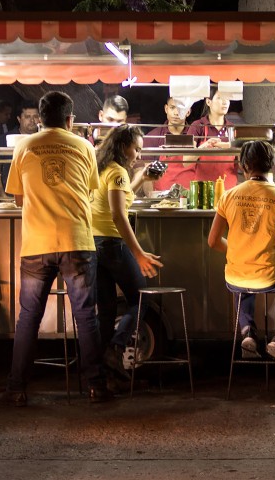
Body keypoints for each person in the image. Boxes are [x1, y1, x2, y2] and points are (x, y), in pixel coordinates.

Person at [0, 91, 110, 406]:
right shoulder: (84, 146)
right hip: (77, 241)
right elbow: (88, 190)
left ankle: (16, 389)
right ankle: (96, 386)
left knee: (29, 317)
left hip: (37, 244)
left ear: (40, 119)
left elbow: (17, 197)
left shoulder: (24, 146)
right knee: (86, 316)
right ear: (70, 120)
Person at [207, 141, 275, 360]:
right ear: (272, 164)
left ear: (243, 165)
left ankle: (248, 333)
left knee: (242, 282)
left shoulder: (228, 196)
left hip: (236, 276)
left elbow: (213, 241)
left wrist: (239, 252)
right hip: (270, 278)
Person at [91, 124, 163, 383]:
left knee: (107, 311)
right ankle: (117, 346)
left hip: (93, 244)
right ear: (123, 147)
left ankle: (101, 372)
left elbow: (118, 200)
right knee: (141, 299)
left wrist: (141, 178)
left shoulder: (101, 169)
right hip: (112, 243)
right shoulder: (118, 172)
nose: (138, 155)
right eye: (136, 148)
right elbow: (118, 215)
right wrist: (139, 253)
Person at [185, 86, 239, 188]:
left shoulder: (232, 128)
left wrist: (231, 147)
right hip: (203, 190)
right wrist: (204, 147)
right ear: (208, 102)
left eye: (227, 99)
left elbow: (242, 164)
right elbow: (186, 160)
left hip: (228, 190)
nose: (225, 102)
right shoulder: (197, 126)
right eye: (219, 98)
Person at [143, 97, 195, 191]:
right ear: (166, 109)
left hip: (190, 197)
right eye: (172, 108)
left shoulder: (196, 136)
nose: (176, 113)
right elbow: (147, 175)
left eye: (181, 109)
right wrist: (151, 199)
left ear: (188, 112)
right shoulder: (153, 137)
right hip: (161, 199)